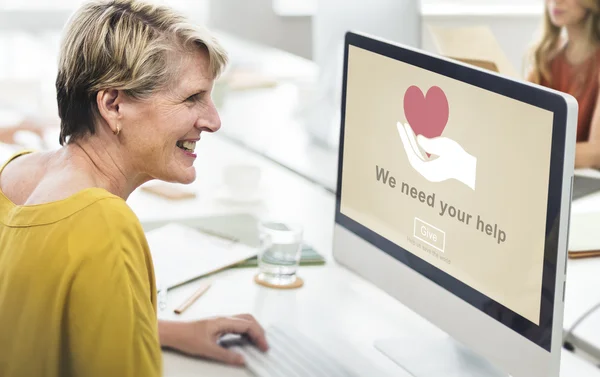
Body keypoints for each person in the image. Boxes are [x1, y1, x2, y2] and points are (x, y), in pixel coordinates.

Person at [0, 1, 269, 376]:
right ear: (113, 105)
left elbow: (34, 326)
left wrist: (164, 331)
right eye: (192, 98)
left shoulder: (15, 174)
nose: (213, 120)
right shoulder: (102, 223)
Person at [527, 0, 600, 168]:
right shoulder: (546, 55)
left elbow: (597, 153)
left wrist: (532, 153)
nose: (556, 2)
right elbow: (520, 119)